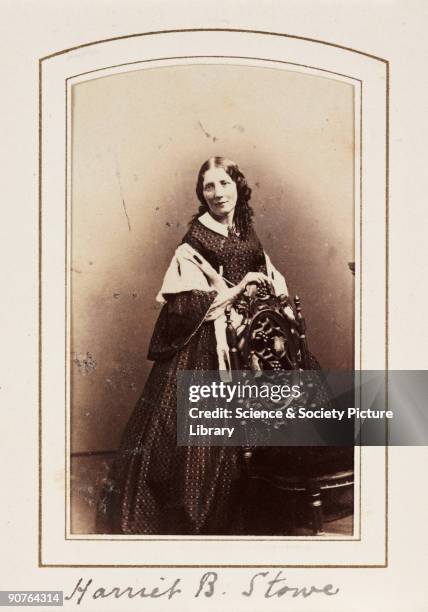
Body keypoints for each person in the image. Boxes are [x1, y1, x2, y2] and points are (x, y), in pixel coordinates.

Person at [100, 156, 293, 535]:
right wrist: (239, 290)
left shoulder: (245, 230)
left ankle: (270, 499)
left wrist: (266, 295)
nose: (218, 193)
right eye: (209, 186)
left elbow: (266, 272)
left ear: (238, 186)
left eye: (224, 183)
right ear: (201, 194)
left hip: (249, 336)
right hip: (209, 340)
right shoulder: (195, 240)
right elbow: (186, 303)